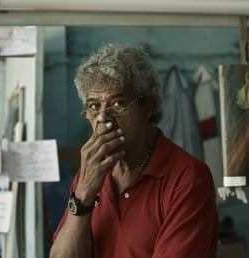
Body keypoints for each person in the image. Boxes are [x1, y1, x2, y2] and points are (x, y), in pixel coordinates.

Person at [49, 43, 218, 258]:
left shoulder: (188, 178)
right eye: (93, 106)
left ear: (147, 107)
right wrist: (83, 196)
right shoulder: (89, 174)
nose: (103, 118)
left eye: (118, 103)